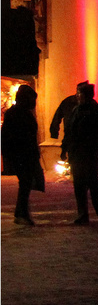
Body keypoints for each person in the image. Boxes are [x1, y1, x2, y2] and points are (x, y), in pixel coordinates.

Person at [60, 81, 98, 224]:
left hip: (89, 154)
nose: (77, 96)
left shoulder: (96, 111)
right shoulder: (76, 110)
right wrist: (64, 148)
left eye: (79, 93)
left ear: (85, 95)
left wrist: (95, 150)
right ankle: (83, 214)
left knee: (93, 184)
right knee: (79, 186)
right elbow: (69, 131)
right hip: (77, 154)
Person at [2, 85, 44, 225]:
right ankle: (21, 213)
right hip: (21, 154)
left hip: (24, 154)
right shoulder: (18, 114)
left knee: (25, 183)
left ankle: (21, 213)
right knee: (25, 183)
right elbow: (9, 137)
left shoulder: (20, 113)